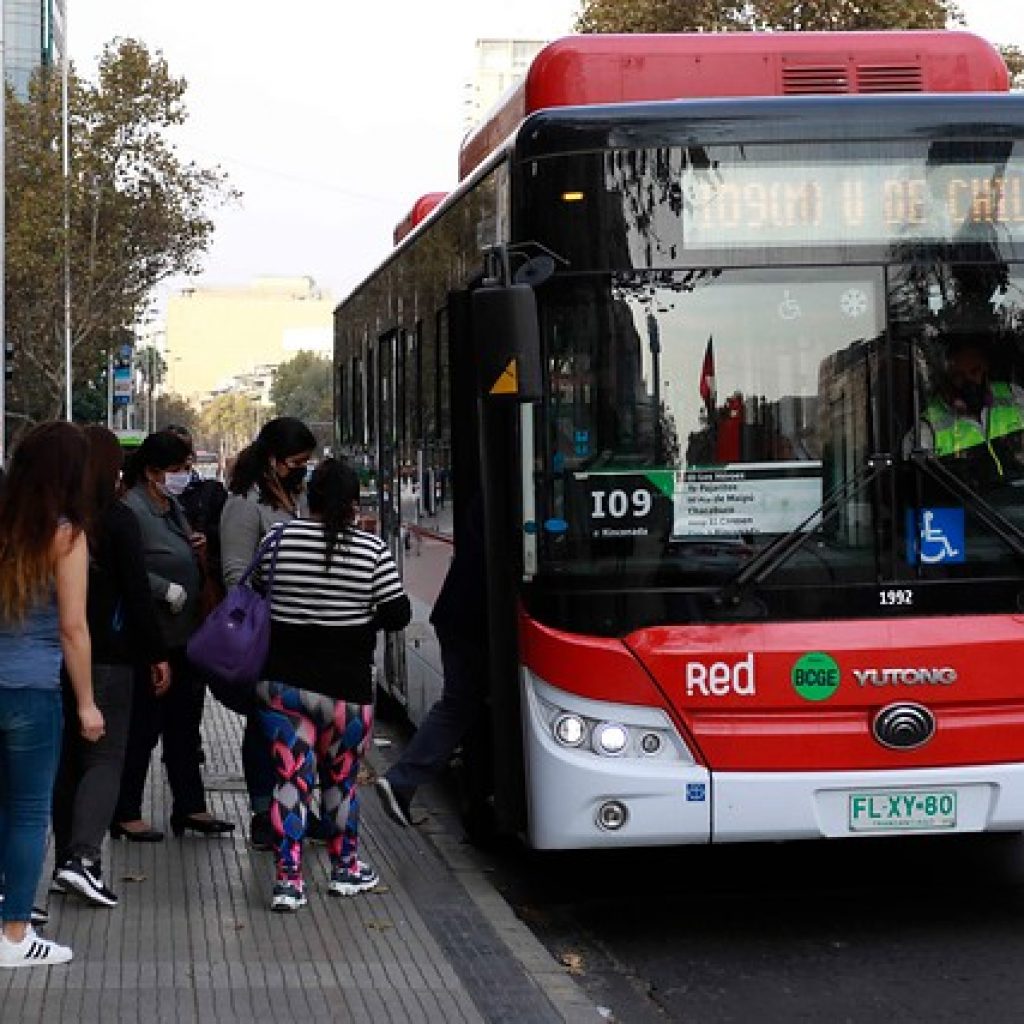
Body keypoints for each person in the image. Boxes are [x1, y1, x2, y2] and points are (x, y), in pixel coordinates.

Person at [254, 458, 410, 911]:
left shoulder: (278, 541)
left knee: (290, 780)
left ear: (309, 495)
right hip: (347, 691)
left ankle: (288, 881)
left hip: (284, 685)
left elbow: (262, 590)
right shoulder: (371, 550)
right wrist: (358, 615)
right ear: (353, 501)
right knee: (340, 782)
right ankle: (345, 870)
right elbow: (398, 615)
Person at [50, 426, 170, 908]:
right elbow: (138, 595)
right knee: (105, 757)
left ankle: (64, 860)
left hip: (55, 658)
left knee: (67, 764)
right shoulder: (116, 521)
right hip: (109, 657)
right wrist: (157, 652)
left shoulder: (54, 520)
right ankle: (83, 858)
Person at [0, 422, 103, 968]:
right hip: (32, 693)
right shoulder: (65, 534)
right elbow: (73, 628)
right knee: (26, 814)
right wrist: (86, 703)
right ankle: (14, 935)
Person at [113, 431, 234, 841]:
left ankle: (191, 806)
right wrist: (165, 588)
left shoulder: (172, 506)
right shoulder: (131, 509)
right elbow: (123, 567)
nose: (185, 475)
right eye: (178, 469)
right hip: (154, 638)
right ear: (151, 472)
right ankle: (126, 810)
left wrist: (195, 546)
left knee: (185, 725)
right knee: (145, 728)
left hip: (188, 637)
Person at [220, 416, 316, 850]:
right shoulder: (245, 503)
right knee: (262, 724)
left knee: (290, 724)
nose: (302, 469)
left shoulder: (292, 497)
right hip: (263, 631)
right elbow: (235, 574)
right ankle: (264, 812)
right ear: (274, 460)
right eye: (297, 461)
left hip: (296, 631)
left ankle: (295, 805)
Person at [375, 490, 487, 829]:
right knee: (460, 703)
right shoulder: (507, 491)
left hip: (459, 614)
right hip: (469, 618)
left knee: (462, 703)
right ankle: (402, 780)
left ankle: (405, 781)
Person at [914, 337, 1024, 485]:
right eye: (959, 376)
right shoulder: (926, 430)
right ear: (946, 379)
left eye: (975, 371)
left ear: (986, 367)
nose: (969, 381)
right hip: (969, 505)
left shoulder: (1014, 396)